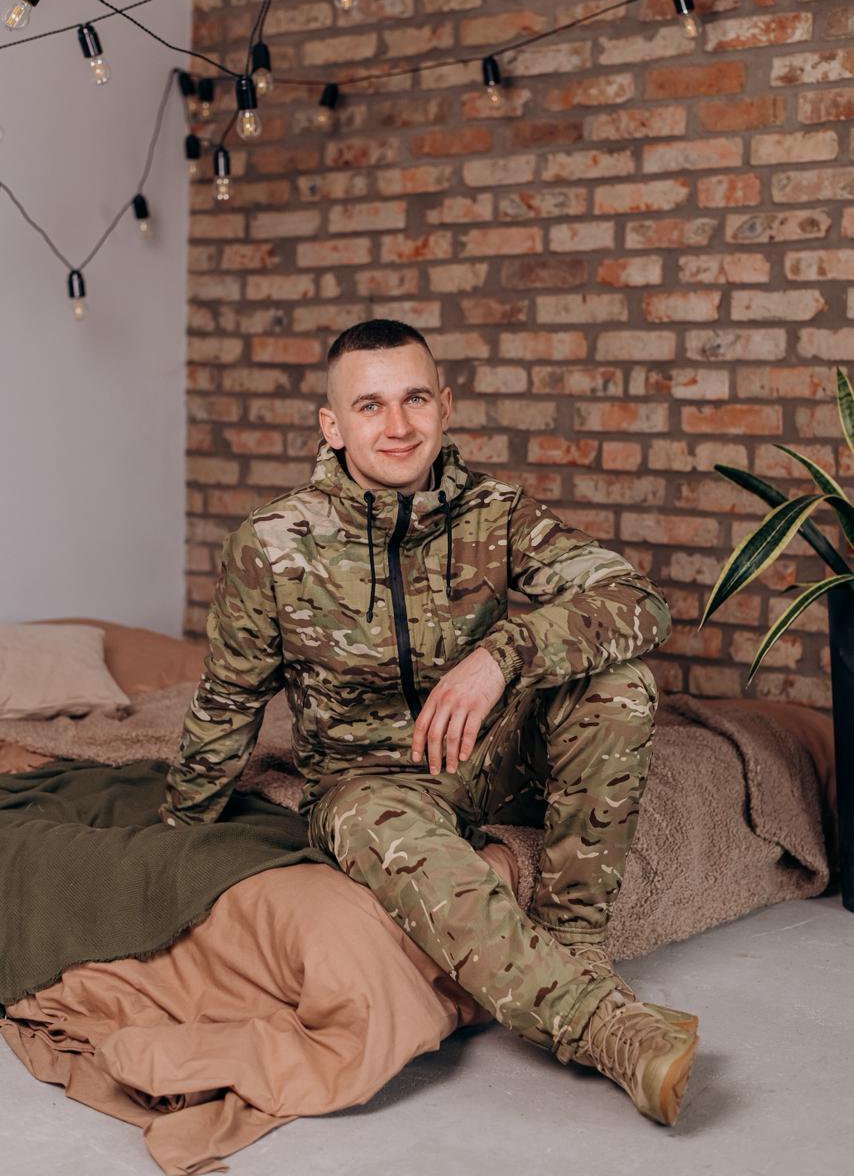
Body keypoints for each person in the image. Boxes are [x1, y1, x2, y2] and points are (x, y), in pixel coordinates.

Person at [160, 318, 700, 1124]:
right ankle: (603, 1028)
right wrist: (175, 831)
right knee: (370, 817)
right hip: (369, 788)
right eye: (370, 406)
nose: (399, 425)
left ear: (445, 407)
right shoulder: (273, 544)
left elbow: (637, 603)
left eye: (415, 399)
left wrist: (504, 654)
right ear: (332, 426)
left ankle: (575, 942)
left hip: (490, 760)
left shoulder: (497, 511)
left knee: (619, 682)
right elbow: (227, 704)